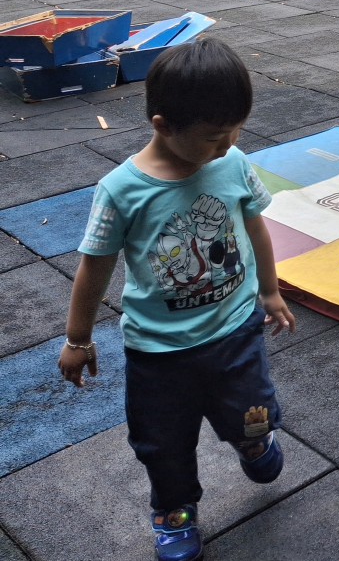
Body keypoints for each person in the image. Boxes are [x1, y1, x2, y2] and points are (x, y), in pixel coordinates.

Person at [58, 38, 297, 561]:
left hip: (235, 330)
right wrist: (78, 338)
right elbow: (94, 267)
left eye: (236, 130)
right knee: (162, 443)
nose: (228, 145)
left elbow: (254, 227)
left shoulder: (232, 163)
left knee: (250, 410)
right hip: (159, 352)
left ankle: (253, 441)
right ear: (163, 125)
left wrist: (269, 290)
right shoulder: (121, 190)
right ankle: (174, 511)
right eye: (214, 137)